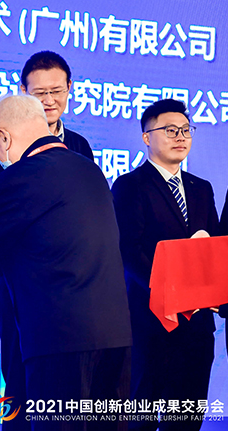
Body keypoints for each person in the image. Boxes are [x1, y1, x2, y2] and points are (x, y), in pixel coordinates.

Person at [0, 94, 132, 430]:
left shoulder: (18, 177)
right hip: (115, 337)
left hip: (61, 341)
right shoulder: (90, 169)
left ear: (3, 137)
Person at [0, 51, 95, 430]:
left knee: (66, 391)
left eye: (56, 91)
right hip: (19, 286)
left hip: (69, 291)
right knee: (18, 380)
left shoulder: (79, 146)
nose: (49, 100)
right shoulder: (2, 142)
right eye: (39, 92)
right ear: (23, 92)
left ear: (70, 89)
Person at [112, 99, 218, 431]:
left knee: (186, 419)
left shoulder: (202, 189)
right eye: (170, 130)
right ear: (146, 137)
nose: (180, 137)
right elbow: (129, 250)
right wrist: (169, 293)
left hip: (197, 326)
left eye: (186, 130)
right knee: (142, 418)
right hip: (151, 322)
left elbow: (213, 250)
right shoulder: (130, 185)